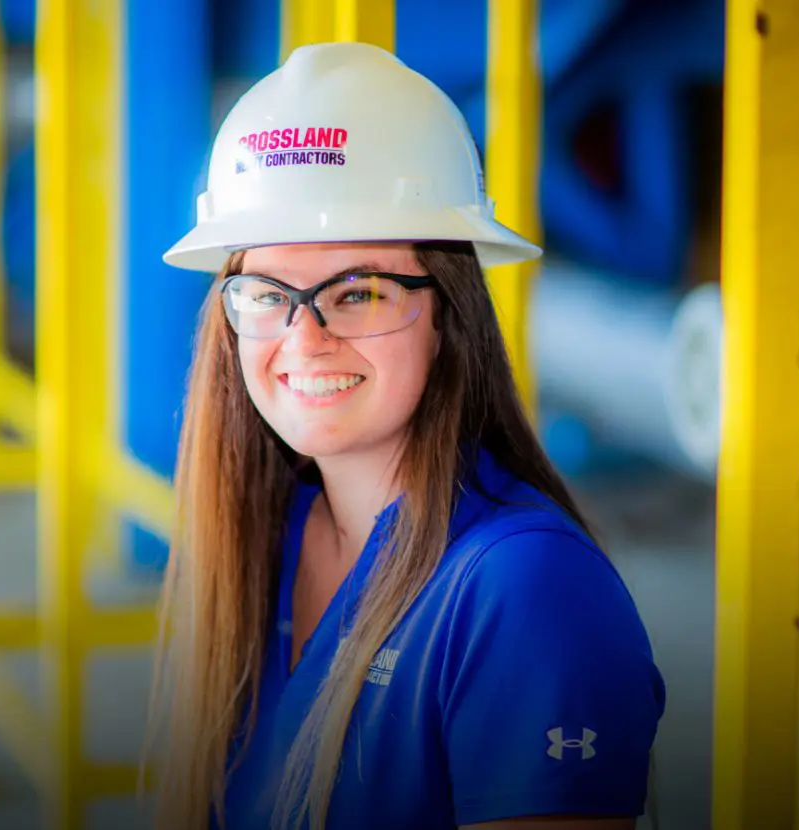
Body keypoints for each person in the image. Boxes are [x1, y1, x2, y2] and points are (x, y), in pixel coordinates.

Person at [144, 42, 666, 830]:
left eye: (358, 293)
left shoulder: (525, 590)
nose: (304, 337)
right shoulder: (259, 535)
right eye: (266, 293)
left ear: (449, 318)